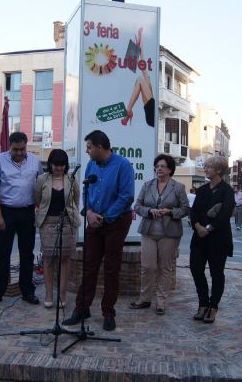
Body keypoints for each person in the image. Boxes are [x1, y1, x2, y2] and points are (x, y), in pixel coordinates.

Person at [62, 130, 134, 331]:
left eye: (89, 147)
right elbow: (86, 191)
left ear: (100, 147)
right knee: (88, 265)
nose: (87, 151)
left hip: (116, 222)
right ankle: (81, 309)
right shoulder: (91, 165)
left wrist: (105, 217)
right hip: (94, 221)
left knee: (112, 268)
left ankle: (108, 312)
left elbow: (126, 197)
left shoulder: (123, 166)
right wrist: (90, 213)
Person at [0, 132, 43, 306]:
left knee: (27, 254)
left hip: (27, 212)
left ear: (26, 146)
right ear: (8, 147)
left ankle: (27, 292)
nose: (19, 153)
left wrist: (39, 206)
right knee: (2, 253)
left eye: (22, 149)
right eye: (15, 149)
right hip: (6, 211)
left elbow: (40, 184)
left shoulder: (35, 160)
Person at [131, 154, 190, 315]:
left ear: (170, 169)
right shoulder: (147, 185)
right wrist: (149, 211)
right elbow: (137, 206)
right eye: (157, 166)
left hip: (169, 234)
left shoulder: (178, 187)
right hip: (148, 232)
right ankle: (144, 299)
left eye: (162, 166)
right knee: (147, 267)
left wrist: (170, 212)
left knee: (165, 268)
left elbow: (185, 209)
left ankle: (161, 302)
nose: (159, 168)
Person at [189, 156, 235, 324]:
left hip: (218, 238)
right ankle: (203, 302)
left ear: (219, 170)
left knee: (216, 273)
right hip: (199, 237)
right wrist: (198, 226)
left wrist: (208, 228)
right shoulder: (201, 190)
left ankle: (213, 306)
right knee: (196, 269)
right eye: (206, 166)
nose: (206, 169)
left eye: (209, 167)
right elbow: (194, 212)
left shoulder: (227, 191)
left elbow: (224, 215)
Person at [34, 149, 80, 309]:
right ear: (50, 164)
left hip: (67, 222)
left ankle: (62, 294)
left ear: (65, 165)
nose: (58, 168)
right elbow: (38, 199)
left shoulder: (72, 179)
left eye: (61, 165)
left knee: (65, 258)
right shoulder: (42, 179)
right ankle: (48, 293)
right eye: (55, 165)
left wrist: (72, 219)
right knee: (48, 258)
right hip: (47, 222)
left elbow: (75, 200)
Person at [121, 27, 155, 127]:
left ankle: (128, 111)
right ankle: (128, 111)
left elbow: (143, 67)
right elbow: (143, 63)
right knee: (142, 77)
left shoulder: (151, 95)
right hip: (151, 112)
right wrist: (141, 39)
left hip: (152, 117)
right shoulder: (150, 93)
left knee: (141, 79)